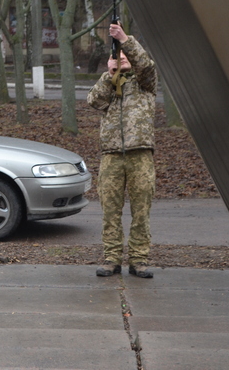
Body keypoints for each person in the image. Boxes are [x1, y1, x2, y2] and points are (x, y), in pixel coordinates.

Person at [87, 23, 157, 279]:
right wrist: (109, 75)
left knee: (141, 211)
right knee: (110, 212)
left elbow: (146, 65)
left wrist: (125, 40)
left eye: (126, 56)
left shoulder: (145, 83)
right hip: (112, 156)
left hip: (140, 155)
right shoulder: (109, 85)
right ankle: (111, 259)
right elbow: (93, 101)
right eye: (117, 56)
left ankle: (139, 260)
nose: (123, 59)